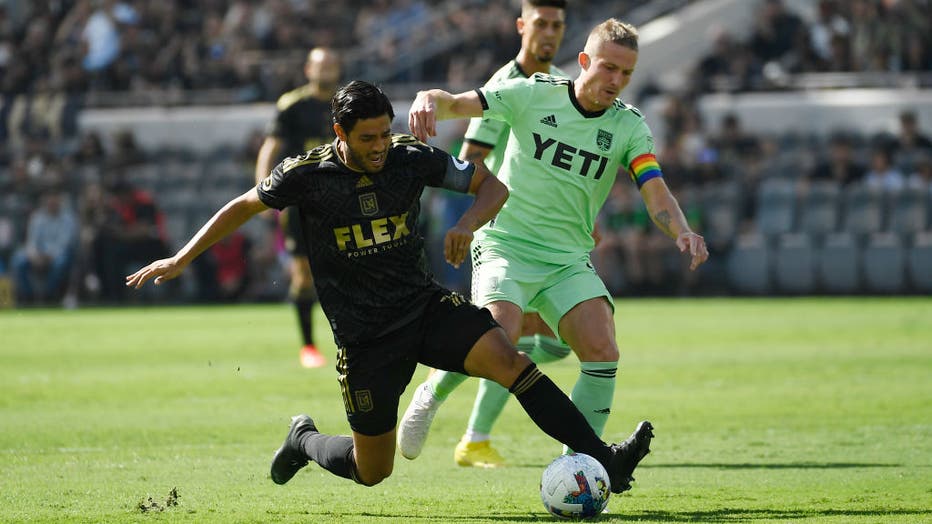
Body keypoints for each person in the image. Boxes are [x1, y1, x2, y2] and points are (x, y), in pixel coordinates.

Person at [125, 80, 653, 494]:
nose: (380, 147)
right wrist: (181, 256)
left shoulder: (409, 157)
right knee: (373, 471)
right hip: (365, 337)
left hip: (422, 308)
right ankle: (302, 439)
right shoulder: (305, 174)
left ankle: (605, 459)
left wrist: (467, 224)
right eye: (367, 138)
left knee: (511, 361)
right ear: (340, 133)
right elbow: (243, 206)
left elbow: (492, 185)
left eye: (384, 133)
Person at [401, 18, 709, 477]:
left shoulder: (628, 126)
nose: (616, 81)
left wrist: (680, 229)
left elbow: (654, 188)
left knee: (602, 349)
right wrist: (430, 99)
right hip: (506, 242)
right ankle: (432, 394)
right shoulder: (534, 93)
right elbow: (461, 103)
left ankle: (581, 469)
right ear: (584, 61)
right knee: (498, 335)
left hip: (566, 259)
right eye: (608, 68)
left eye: (626, 73)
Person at [399, 0, 578, 469]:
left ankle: (468, 427)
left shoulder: (561, 84)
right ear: (522, 26)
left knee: (560, 342)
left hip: (556, 237)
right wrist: (469, 224)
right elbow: (471, 160)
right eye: (541, 23)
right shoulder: (504, 88)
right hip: (509, 234)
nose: (550, 33)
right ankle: (463, 424)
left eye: (557, 25)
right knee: (504, 337)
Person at [254, 47, 342, 368]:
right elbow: (270, 148)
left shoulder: (347, 102)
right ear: (308, 69)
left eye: (331, 64)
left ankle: (353, 340)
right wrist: (263, 191)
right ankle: (308, 346)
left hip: (343, 198)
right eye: (321, 65)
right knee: (304, 276)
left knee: (351, 269)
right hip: (303, 201)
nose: (327, 70)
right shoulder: (292, 106)